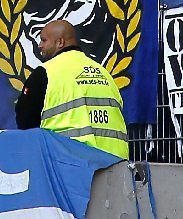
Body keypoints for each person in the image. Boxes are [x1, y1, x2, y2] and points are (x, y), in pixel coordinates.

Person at [14, 17, 129, 158]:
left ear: (60, 42)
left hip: (72, 163)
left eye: (44, 40)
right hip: (116, 162)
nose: (39, 45)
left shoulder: (46, 73)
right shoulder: (104, 73)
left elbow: (25, 120)